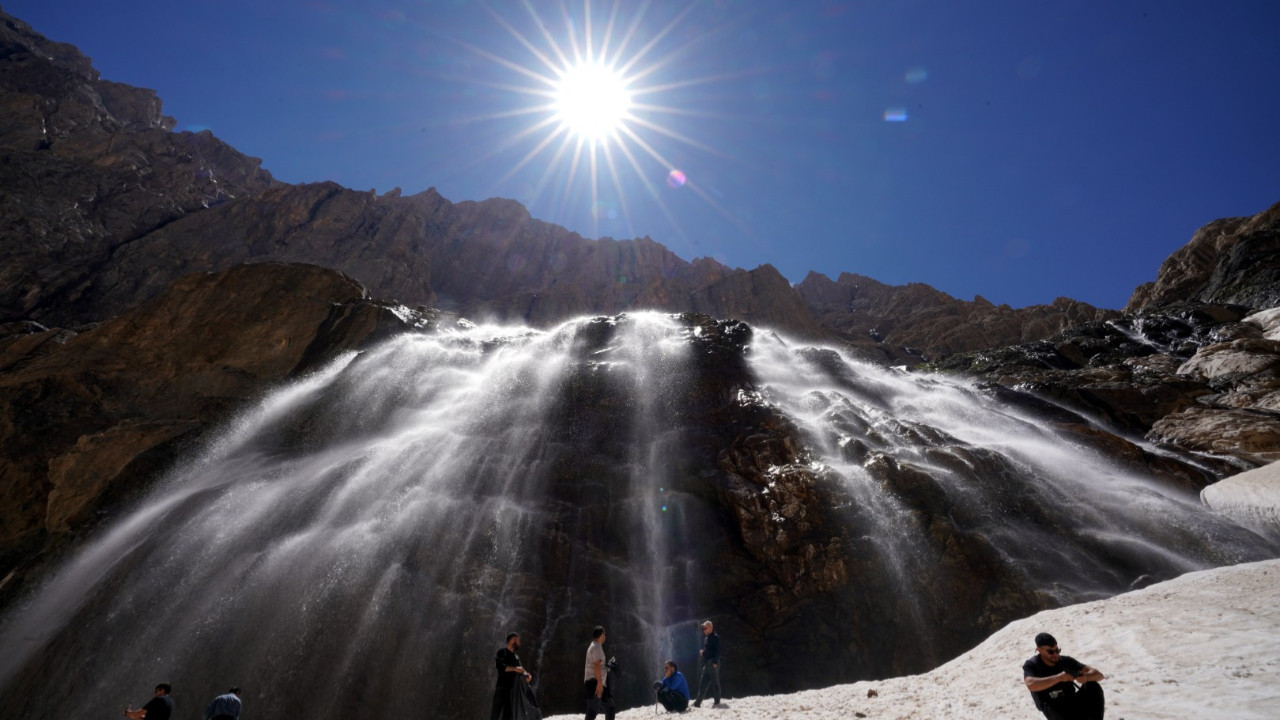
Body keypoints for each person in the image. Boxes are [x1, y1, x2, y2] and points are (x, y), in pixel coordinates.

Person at [1022, 632, 1105, 720]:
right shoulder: (1032, 664)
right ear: (1039, 650)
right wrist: (1058, 678)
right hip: (1053, 708)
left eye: (1057, 650)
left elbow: (1099, 675)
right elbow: (1030, 684)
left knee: (1092, 686)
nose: (1055, 654)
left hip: (1072, 702)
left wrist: (1085, 677)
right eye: (1050, 652)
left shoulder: (1065, 661)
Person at [492, 632, 534, 720]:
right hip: (501, 688)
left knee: (508, 715)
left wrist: (528, 675)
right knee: (496, 713)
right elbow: (500, 666)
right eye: (518, 640)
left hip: (512, 691)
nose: (519, 643)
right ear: (512, 640)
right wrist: (515, 669)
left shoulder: (516, 657)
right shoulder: (502, 652)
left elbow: (522, 670)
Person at [583, 625, 615, 720]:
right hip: (595, 683)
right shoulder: (596, 647)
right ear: (601, 635)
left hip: (596, 682)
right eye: (604, 634)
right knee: (594, 710)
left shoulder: (595, 646)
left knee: (608, 707)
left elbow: (599, 666)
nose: (605, 637)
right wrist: (600, 683)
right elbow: (596, 665)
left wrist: (607, 667)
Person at [693, 620, 721, 708]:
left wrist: (715, 661)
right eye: (703, 628)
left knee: (715, 683)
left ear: (710, 628)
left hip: (713, 662)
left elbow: (718, 650)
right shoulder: (706, 638)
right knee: (703, 683)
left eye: (705, 628)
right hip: (707, 664)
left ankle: (717, 702)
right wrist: (703, 652)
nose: (703, 630)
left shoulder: (716, 637)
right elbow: (707, 650)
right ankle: (697, 703)